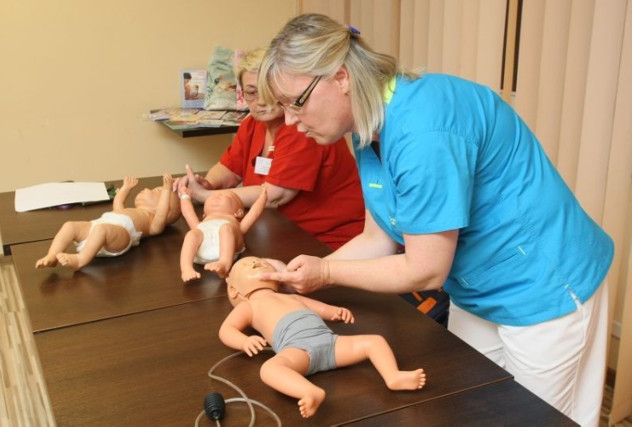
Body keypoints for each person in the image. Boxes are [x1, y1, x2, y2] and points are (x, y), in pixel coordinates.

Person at [255, 13, 614, 427]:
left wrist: (326, 272)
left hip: (544, 285)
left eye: (294, 103)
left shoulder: (424, 130)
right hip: (477, 288)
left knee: (538, 418)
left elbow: (424, 270)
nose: (289, 121)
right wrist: (300, 275)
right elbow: (379, 238)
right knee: (466, 405)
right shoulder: (366, 126)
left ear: (339, 78)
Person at [174, 47, 364, 250]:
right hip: (276, 230)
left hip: (328, 241)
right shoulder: (252, 124)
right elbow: (229, 168)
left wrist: (204, 196)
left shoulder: (302, 127)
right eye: (251, 93)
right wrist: (206, 183)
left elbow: (275, 196)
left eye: (268, 91)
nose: (261, 102)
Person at [219, 256, 426, 418]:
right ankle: (309, 392)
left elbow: (319, 308)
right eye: (248, 265)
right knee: (269, 369)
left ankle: (393, 376)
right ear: (234, 291)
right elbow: (226, 330)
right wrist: (244, 341)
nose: (256, 262)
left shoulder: (290, 296)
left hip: (330, 342)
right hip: (298, 351)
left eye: (260, 262)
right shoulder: (249, 306)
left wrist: (334, 311)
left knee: (374, 341)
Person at [35, 174, 181, 271]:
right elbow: (118, 203)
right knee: (69, 225)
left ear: (164, 206)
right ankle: (52, 255)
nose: (146, 188)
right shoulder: (128, 211)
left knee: (102, 230)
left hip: (119, 237)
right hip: (96, 227)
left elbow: (161, 215)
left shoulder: (153, 223)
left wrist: (167, 190)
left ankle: (80, 259)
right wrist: (126, 188)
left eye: (156, 191)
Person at [178, 185, 267, 281]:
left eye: (226, 196)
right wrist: (185, 197)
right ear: (204, 213)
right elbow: (188, 213)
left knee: (226, 228)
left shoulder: (237, 225)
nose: (217, 195)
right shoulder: (201, 225)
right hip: (200, 251)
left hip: (228, 251)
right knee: (192, 234)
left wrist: (263, 197)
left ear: (238, 213)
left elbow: (254, 213)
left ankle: (224, 264)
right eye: (212, 196)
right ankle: (186, 268)